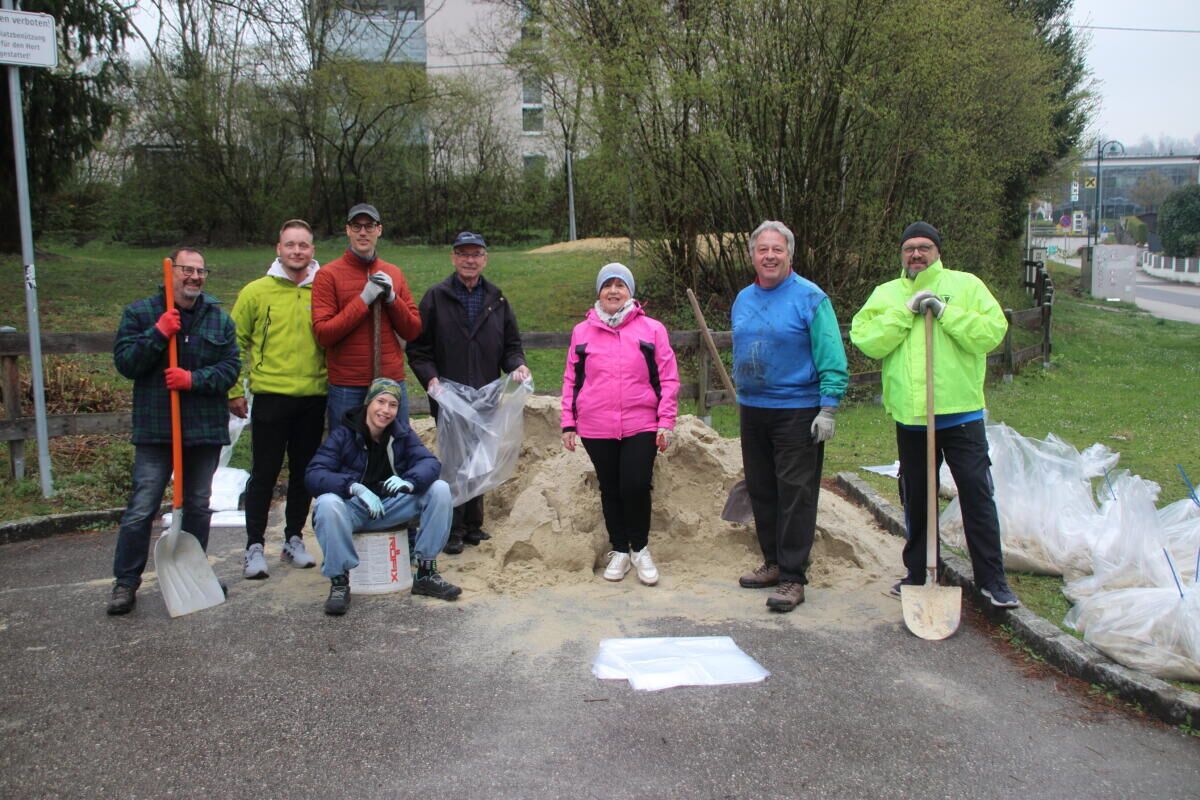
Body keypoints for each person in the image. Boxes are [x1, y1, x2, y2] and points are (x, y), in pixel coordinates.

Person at [849, 221, 1018, 608]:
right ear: (901, 254)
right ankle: (919, 572)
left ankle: (992, 582)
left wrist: (945, 312)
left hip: (960, 414)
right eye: (909, 248)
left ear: (938, 251)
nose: (916, 254)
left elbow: (991, 332)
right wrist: (905, 313)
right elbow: (866, 339)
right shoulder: (887, 294)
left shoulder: (966, 285)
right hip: (912, 418)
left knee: (976, 494)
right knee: (917, 497)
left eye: (924, 247)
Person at [107, 247, 240, 615]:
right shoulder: (141, 314)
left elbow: (230, 368)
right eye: (187, 269)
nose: (195, 277)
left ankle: (194, 575)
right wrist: (158, 333)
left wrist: (192, 379)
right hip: (157, 429)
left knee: (197, 505)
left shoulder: (218, 320)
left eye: (201, 271)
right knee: (142, 506)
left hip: (203, 430)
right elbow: (126, 363)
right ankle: (125, 582)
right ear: (171, 272)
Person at [733, 221, 848, 613]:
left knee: (795, 495)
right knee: (762, 490)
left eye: (777, 250)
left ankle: (793, 577)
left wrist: (828, 407)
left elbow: (831, 354)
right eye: (762, 249)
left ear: (789, 255)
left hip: (797, 410)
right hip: (754, 409)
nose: (769, 256)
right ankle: (773, 563)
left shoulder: (810, 298)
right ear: (752, 255)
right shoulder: (743, 299)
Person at [407, 231, 531, 554]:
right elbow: (418, 349)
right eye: (463, 254)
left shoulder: (497, 300)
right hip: (448, 397)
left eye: (476, 254)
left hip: (485, 396)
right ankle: (452, 528)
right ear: (453, 258)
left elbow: (511, 346)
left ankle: (474, 525)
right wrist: (431, 379)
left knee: (480, 459)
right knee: (453, 461)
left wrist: (517, 365)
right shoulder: (436, 298)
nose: (469, 260)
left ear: (485, 259)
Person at [560, 263, 679, 586]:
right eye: (607, 285)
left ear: (630, 292)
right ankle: (620, 551)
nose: (613, 291)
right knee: (610, 488)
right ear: (599, 292)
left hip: (642, 422)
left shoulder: (652, 330)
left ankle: (640, 549)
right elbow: (572, 379)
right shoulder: (582, 332)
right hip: (596, 425)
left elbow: (668, 377)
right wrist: (568, 422)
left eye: (620, 285)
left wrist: (666, 420)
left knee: (635, 485)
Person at [305, 378, 461, 615]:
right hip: (354, 509)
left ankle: (426, 573)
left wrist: (409, 482)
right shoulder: (344, 434)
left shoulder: (401, 433)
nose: (386, 410)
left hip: (391, 506)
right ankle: (339, 582)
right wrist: (354, 488)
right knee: (327, 504)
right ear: (368, 402)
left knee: (439, 489)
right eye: (380, 401)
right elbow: (314, 474)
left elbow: (429, 463)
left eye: (393, 405)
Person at [228, 219, 326, 580]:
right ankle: (254, 545)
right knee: (264, 473)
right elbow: (233, 341)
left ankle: (293, 539)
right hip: (270, 395)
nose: (297, 251)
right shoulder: (256, 292)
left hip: (314, 397)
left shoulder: (324, 290)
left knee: (304, 473)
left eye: (303, 245)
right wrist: (233, 390)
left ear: (312, 250)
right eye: (290, 245)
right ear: (278, 249)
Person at [312, 203, 422, 430]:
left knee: (395, 446)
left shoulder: (394, 273)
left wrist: (392, 299)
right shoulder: (328, 275)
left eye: (369, 226)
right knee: (346, 446)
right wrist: (363, 300)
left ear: (379, 230)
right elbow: (324, 334)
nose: (363, 232)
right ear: (348, 230)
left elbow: (412, 330)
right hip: (348, 384)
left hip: (389, 381)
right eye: (357, 226)